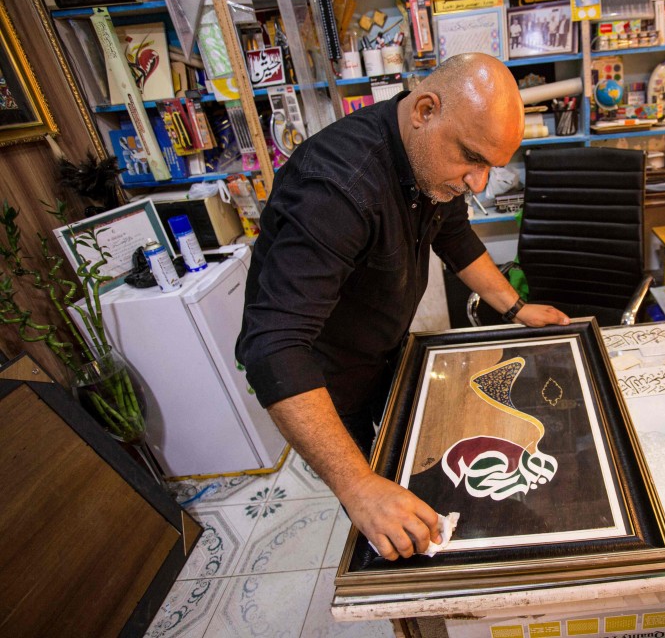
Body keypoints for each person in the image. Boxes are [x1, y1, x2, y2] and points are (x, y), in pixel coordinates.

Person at [236, 53, 569, 563]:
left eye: (490, 167)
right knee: (381, 509)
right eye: (472, 159)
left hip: (387, 348)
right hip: (329, 380)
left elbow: (453, 235)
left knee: (413, 466)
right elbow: (273, 346)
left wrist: (515, 307)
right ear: (425, 110)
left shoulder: (430, 160)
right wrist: (359, 488)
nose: (478, 183)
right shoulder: (335, 190)